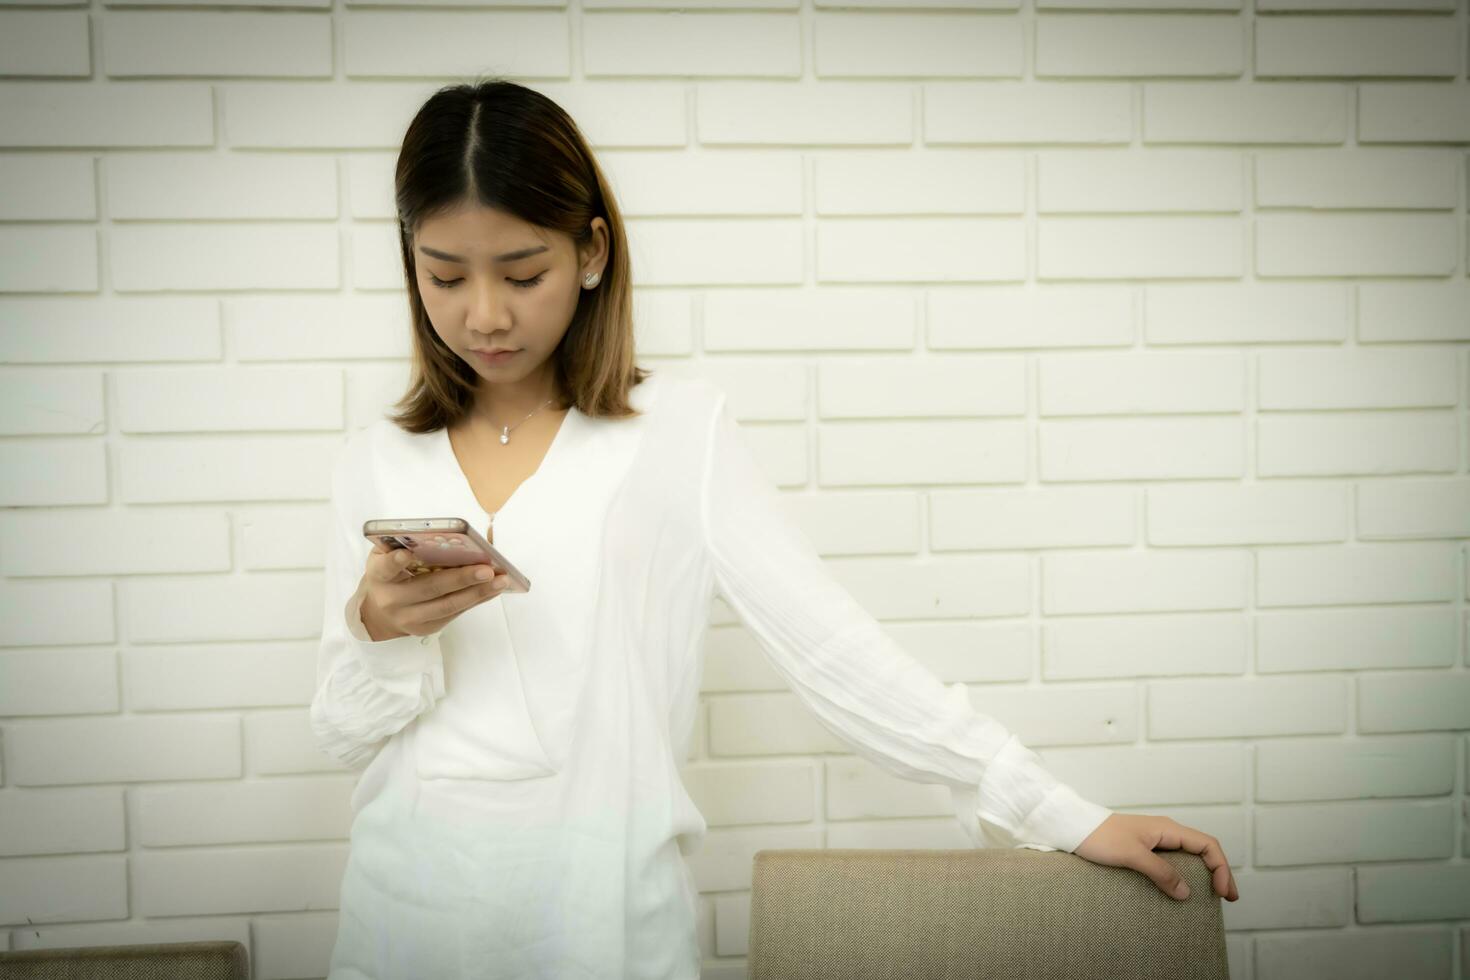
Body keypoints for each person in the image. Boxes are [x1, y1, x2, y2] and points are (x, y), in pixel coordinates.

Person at [310, 76, 1239, 980]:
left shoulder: (675, 431)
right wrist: (378, 628)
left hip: (601, 930)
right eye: (444, 275)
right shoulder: (377, 458)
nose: (484, 314)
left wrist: (1058, 812)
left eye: (522, 273)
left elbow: (835, 652)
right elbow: (345, 733)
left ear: (592, 252)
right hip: (400, 925)